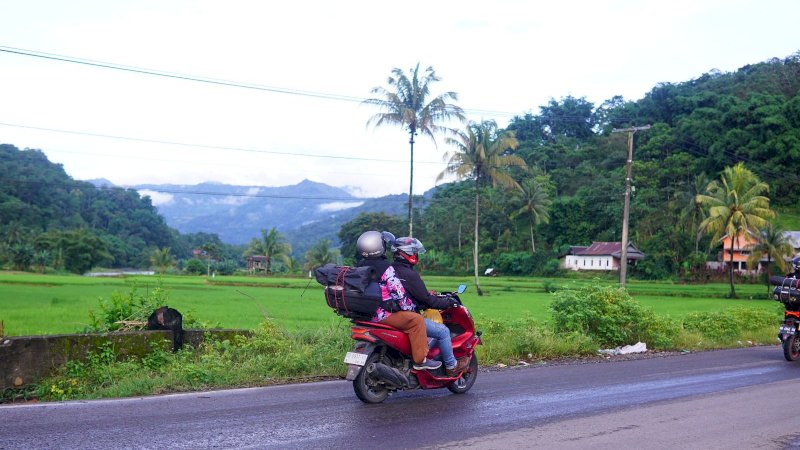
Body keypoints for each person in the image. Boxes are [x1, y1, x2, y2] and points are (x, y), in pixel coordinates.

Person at [355, 231, 441, 371]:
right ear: (378, 246)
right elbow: (399, 294)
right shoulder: (386, 268)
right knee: (416, 320)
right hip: (382, 315)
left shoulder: (360, 266)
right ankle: (420, 361)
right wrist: (411, 309)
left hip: (365, 314)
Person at [391, 236, 471, 377]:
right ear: (408, 253)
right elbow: (428, 301)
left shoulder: (389, 270)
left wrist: (426, 296)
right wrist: (449, 302)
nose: (416, 255)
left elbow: (406, 293)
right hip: (405, 316)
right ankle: (451, 366)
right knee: (443, 331)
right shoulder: (410, 274)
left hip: (390, 313)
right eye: (414, 252)